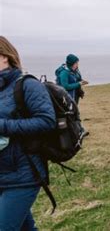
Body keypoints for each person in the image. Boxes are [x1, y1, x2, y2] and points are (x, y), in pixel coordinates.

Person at [0, 36, 56, 230]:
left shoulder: (27, 85)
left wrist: (2, 125)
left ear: (5, 56)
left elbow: (47, 121)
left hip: (23, 173)